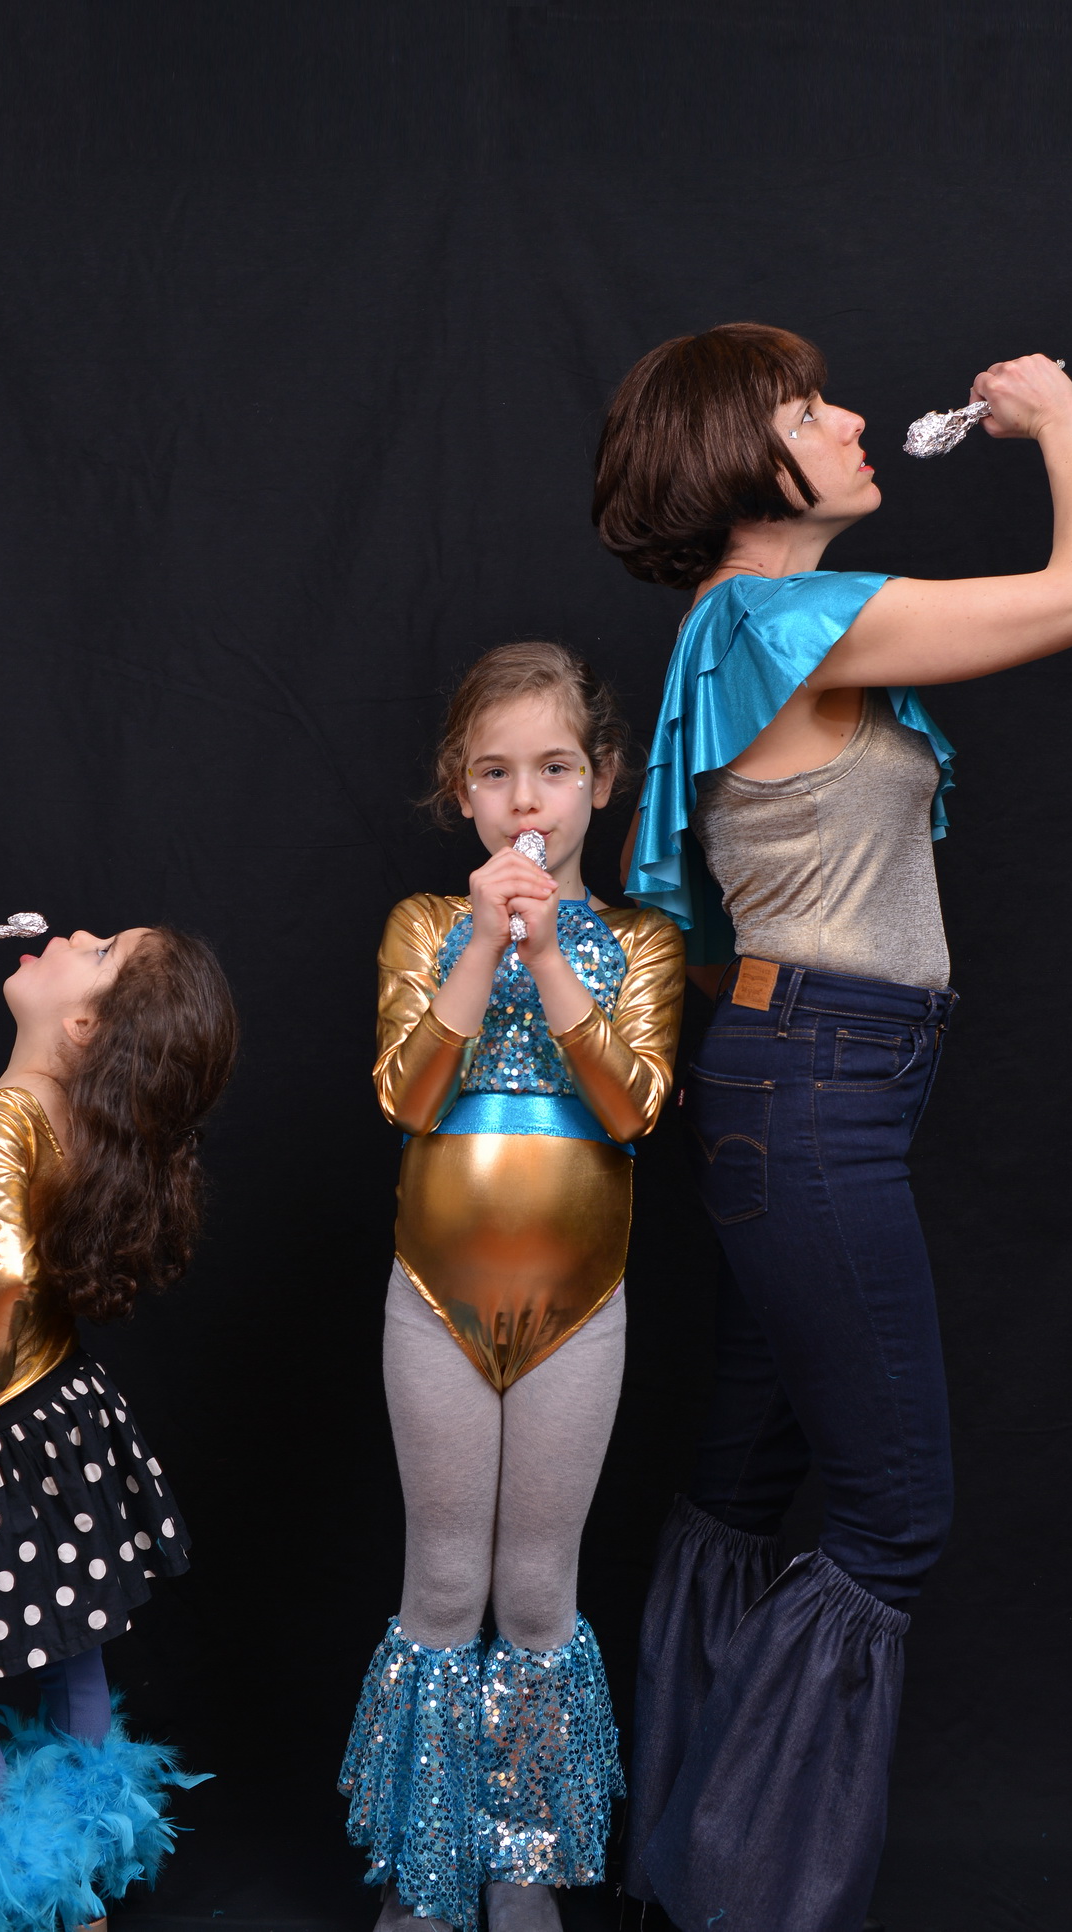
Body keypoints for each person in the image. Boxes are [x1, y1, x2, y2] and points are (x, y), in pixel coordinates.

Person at [590, 325, 1072, 1932]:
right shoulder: (779, 617)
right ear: (744, 462)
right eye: (809, 409)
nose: (854, 417)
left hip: (797, 1079)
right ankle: (745, 1897)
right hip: (817, 1090)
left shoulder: (748, 627)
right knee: (893, 1519)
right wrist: (1061, 419)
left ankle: (687, 1876)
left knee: (742, 1488)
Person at [338, 642, 684, 1932]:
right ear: (460, 790)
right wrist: (483, 944)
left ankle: (521, 1864)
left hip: (578, 1306)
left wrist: (548, 956)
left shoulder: (640, 939)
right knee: (441, 1585)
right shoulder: (424, 926)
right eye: (494, 774)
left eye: (552, 769)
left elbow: (635, 1112)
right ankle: (426, 1877)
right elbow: (405, 1099)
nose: (525, 800)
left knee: (539, 1593)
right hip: (435, 1295)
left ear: (603, 778)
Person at [0, 919, 238, 1932]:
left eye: (100, 950)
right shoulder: (44, 1113)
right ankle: (93, 1861)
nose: (74, 933)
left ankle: (34, 1900)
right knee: (77, 1647)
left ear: (81, 1026)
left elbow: (4, 1276)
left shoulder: (8, 1118)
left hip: (1, 1430)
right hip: (67, 1416)